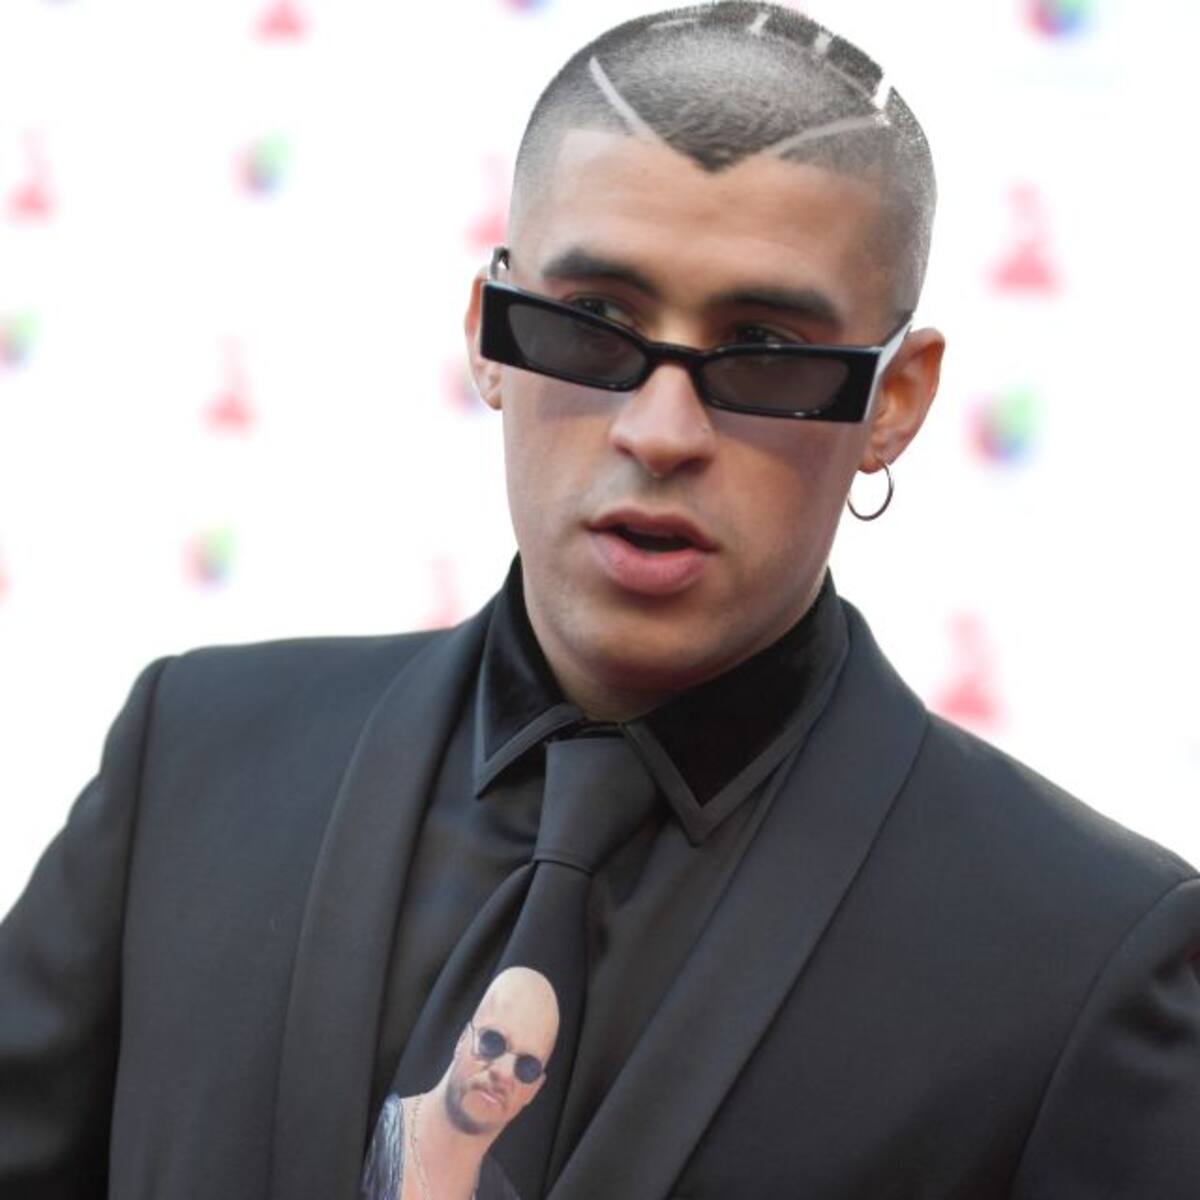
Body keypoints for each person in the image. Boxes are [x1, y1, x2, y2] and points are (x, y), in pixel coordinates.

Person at [2, 3, 1198, 1198]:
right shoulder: (191, 763)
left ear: (895, 401)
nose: (660, 431)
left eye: (764, 351)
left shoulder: (1079, 954)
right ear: (488, 334)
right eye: (595, 325)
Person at [362, 967, 557, 1200]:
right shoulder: (368, 1132)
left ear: (534, 1090)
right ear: (462, 1039)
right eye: (492, 1042)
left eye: (527, 1068)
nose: (503, 1073)